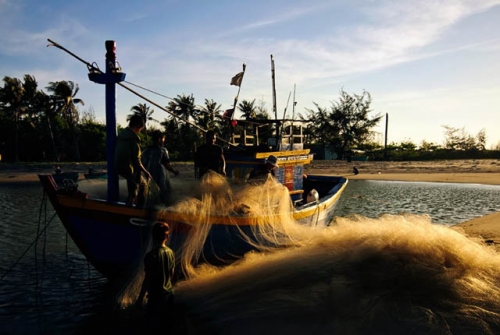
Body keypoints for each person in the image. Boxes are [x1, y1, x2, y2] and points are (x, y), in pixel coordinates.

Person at [136, 221, 176, 332]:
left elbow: (148, 278)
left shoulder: (150, 256)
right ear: (166, 236)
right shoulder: (171, 253)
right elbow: (171, 274)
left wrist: (140, 298)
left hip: (155, 299)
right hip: (169, 297)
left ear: (153, 237)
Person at [114, 114, 152, 208]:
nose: (140, 131)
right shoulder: (134, 138)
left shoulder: (122, 134)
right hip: (129, 168)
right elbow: (137, 160)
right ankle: (134, 210)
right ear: (138, 126)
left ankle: (131, 207)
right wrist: (146, 172)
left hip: (118, 166)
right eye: (140, 128)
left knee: (136, 185)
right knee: (140, 186)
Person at [142, 131, 180, 205]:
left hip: (148, 175)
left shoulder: (146, 150)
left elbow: (142, 162)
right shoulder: (162, 150)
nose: (164, 140)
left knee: (151, 193)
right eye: (163, 138)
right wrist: (174, 171)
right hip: (160, 176)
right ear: (159, 139)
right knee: (164, 193)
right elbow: (166, 164)